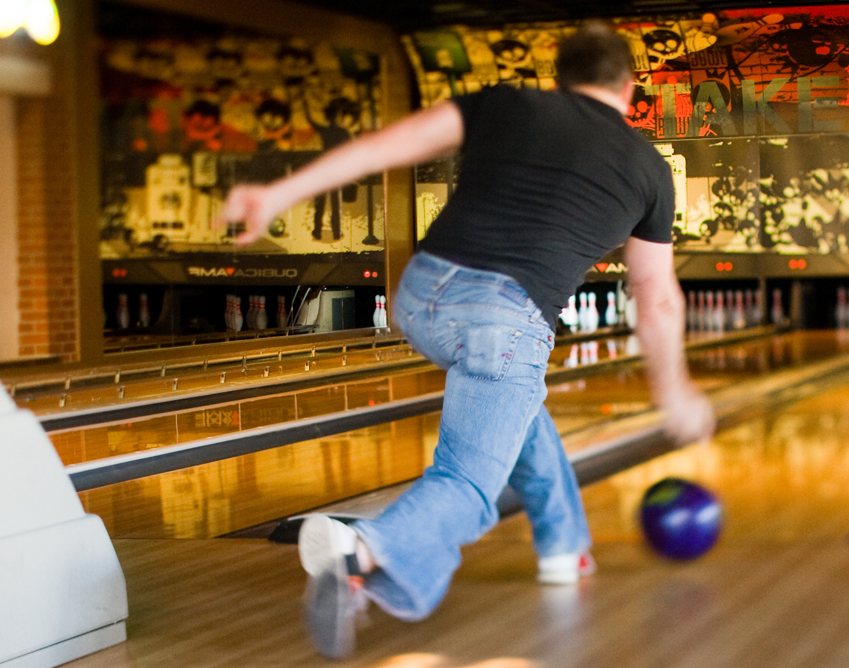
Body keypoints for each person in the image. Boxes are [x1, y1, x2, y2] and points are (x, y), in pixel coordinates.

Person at [214, 22, 716, 659]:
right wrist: (673, 391)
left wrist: (276, 193)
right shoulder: (647, 166)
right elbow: (657, 295)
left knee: (515, 405)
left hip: (420, 297)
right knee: (469, 483)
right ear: (632, 86)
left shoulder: (505, 103)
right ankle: (358, 552)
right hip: (504, 321)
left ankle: (565, 548)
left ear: (557, 74)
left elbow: (381, 148)